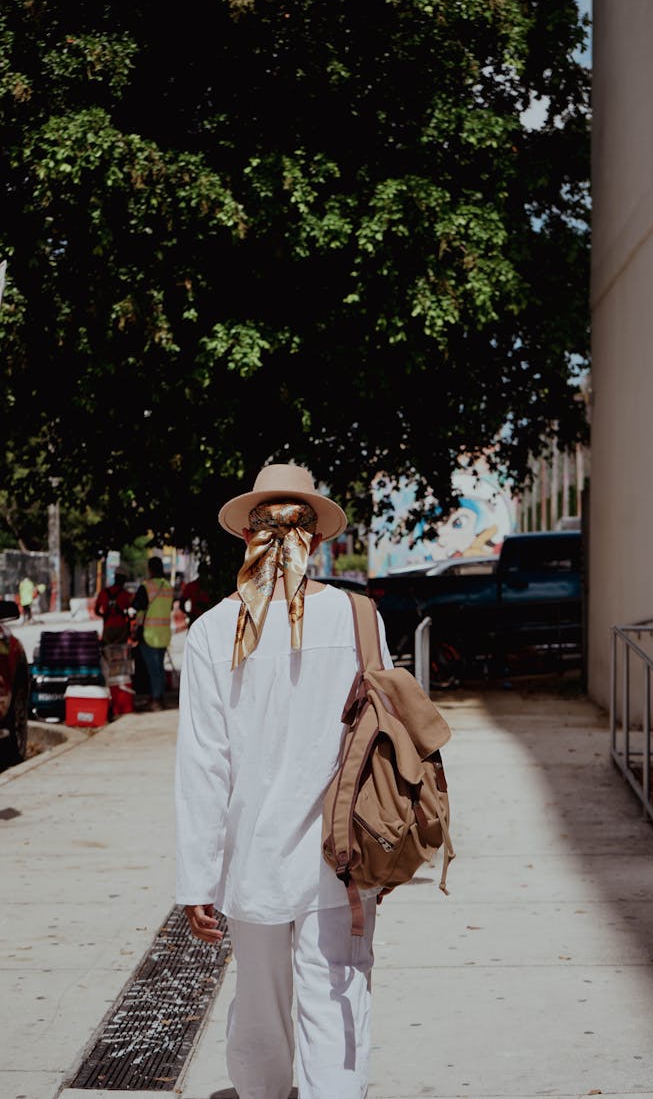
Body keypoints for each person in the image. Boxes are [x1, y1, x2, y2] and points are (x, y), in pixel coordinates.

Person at [174, 463, 393, 1099]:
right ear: (317, 539)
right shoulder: (359, 618)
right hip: (343, 853)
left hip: (252, 861)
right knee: (337, 996)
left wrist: (197, 878)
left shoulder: (214, 630)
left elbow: (203, 763)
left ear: (247, 535)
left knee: (259, 1010)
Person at [132, 556, 174, 711]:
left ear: (149, 569)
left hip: (149, 633)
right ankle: (158, 697)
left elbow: (137, 605)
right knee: (159, 668)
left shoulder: (146, 586)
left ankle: (156, 700)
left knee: (153, 669)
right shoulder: (168, 586)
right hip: (163, 634)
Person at [94, 570, 132, 645]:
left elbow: (96, 611)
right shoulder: (126, 594)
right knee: (121, 649)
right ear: (123, 581)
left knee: (108, 649)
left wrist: (105, 615)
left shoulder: (103, 593)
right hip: (121, 627)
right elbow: (133, 607)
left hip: (107, 626)